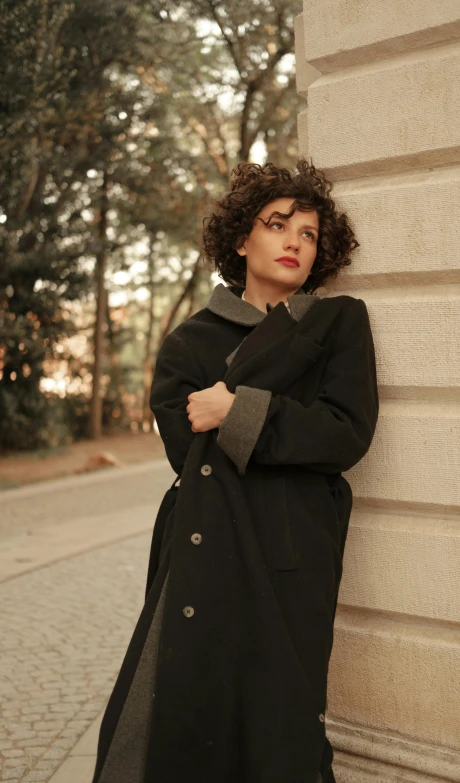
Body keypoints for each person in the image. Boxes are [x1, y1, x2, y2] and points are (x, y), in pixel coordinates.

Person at [91, 159, 379, 783]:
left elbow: (344, 431)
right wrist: (273, 428)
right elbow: (187, 458)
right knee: (182, 715)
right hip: (203, 548)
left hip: (292, 550)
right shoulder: (189, 343)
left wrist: (235, 410)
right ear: (243, 239)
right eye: (279, 225)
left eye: (308, 233)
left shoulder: (338, 323)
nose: (295, 242)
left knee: (284, 725)